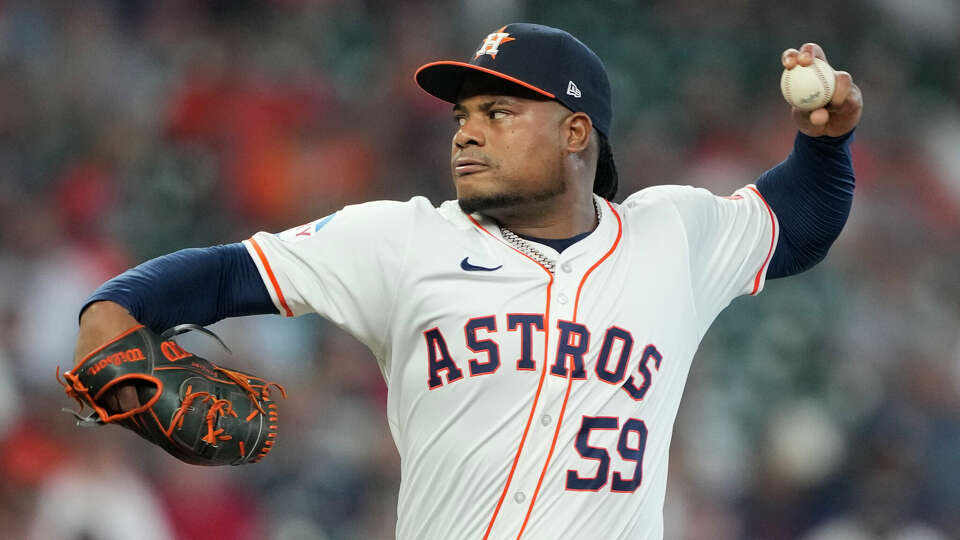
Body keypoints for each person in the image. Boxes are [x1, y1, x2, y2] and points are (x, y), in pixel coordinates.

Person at [73, 23, 861, 540]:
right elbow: (224, 274)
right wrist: (113, 309)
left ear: (577, 131)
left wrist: (828, 144)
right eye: (461, 117)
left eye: (498, 111)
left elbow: (800, 218)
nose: (467, 132)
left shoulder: (670, 234)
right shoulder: (404, 238)